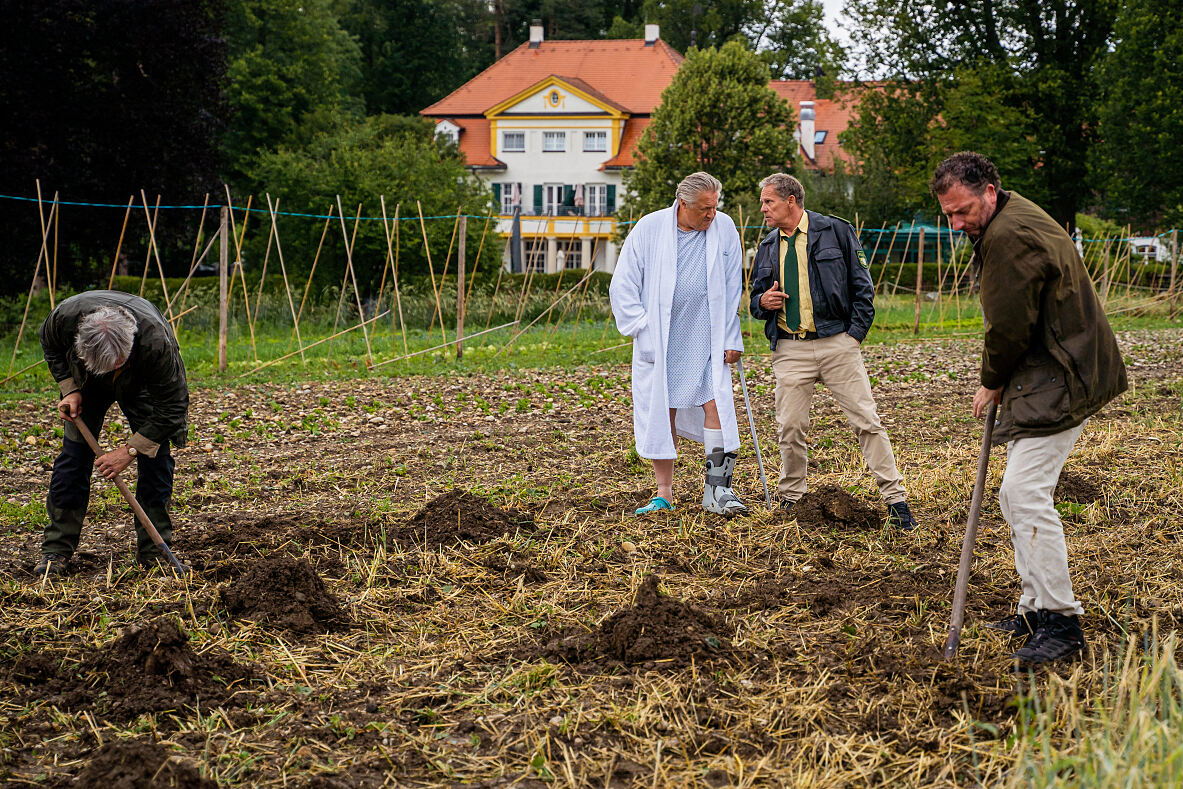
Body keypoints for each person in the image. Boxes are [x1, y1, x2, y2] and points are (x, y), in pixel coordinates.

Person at [932, 152, 1127, 664]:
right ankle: (1036, 609)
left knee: (1022, 492)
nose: (957, 224)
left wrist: (991, 381)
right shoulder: (1010, 215)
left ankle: (1061, 625)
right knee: (1015, 494)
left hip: (1064, 375)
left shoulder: (1008, 237)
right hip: (1055, 368)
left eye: (963, 211)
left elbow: (1010, 326)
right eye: (948, 215)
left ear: (989, 192)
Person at [749, 173, 918, 529]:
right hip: (790, 349)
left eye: (769, 202)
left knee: (867, 422)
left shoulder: (835, 232)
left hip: (838, 343)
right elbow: (754, 301)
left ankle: (896, 501)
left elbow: (863, 288)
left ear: (791, 201)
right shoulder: (766, 246)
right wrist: (763, 301)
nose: (762, 208)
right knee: (790, 427)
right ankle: (792, 499)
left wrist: (853, 337)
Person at [609, 172, 748, 516]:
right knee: (663, 410)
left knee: (716, 405)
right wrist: (641, 328)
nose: (711, 215)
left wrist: (733, 335)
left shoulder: (724, 227)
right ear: (683, 203)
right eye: (704, 209)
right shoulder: (650, 227)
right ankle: (664, 493)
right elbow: (623, 283)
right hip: (664, 337)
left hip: (708, 333)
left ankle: (718, 491)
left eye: (715, 207)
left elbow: (733, 285)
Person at [35, 291, 189, 575]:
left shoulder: (155, 344)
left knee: (156, 458)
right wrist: (70, 389)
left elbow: (173, 408)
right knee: (74, 456)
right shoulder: (64, 319)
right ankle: (56, 550)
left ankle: (154, 553)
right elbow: (51, 345)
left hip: (140, 381)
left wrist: (129, 450)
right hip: (86, 379)